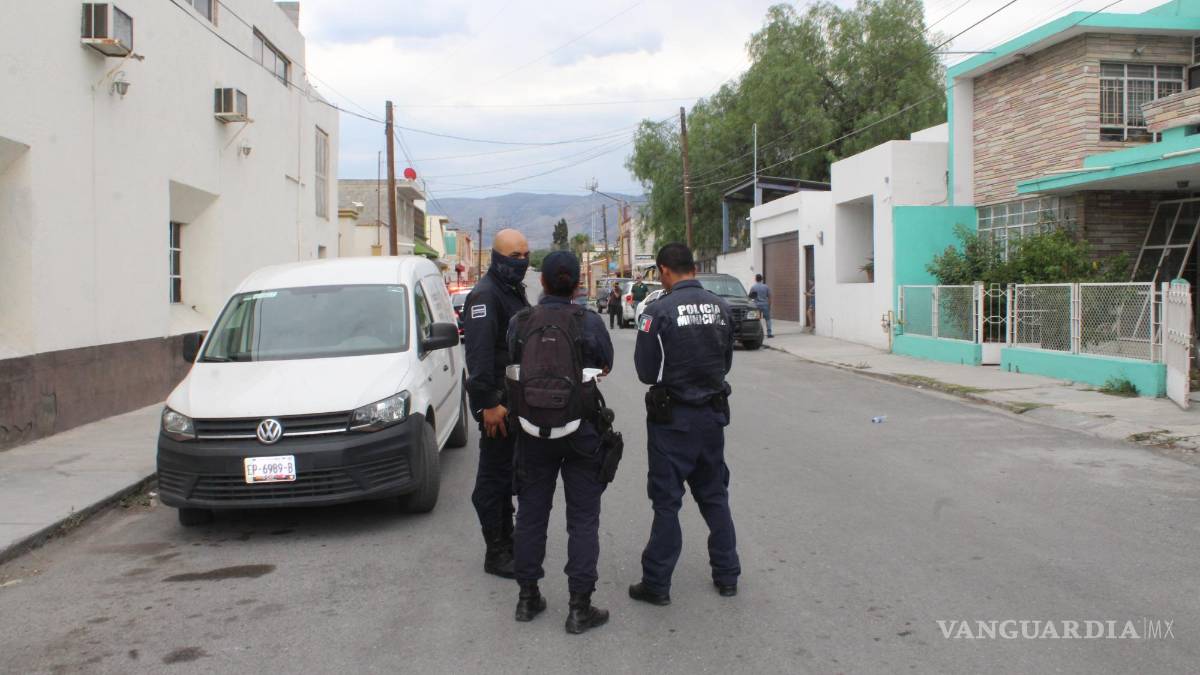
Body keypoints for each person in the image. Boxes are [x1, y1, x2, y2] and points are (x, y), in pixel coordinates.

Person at [506, 251, 614, 634]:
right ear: (576, 284)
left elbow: (512, 363)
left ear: (545, 283)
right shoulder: (588, 321)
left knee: (531, 516)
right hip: (581, 430)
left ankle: (527, 598)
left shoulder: (521, 321)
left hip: (532, 430)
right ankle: (579, 609)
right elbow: (605, 365)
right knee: (583, 520)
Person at [629, 243, 741, 606]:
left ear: (663, 270)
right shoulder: (722, 308)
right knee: (715, 497)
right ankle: (727, 576)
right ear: (693, 267)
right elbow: (724, 363)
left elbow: (647, 372)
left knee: (667, 502)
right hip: (711, 417)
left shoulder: (656, 312)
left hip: (672, 421)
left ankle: (657, 584)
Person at [461, 228, 531, 579]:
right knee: (493, 481)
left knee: (508, 476)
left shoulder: (511, 291)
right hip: (497, 406)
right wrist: (488, 403)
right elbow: (479, 356)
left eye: (525, 255)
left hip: (514, 403)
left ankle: (509, 539)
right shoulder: (485, 296)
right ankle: (497, 552)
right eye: (514, 256)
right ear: (497, 257)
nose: (522, 261)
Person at [749, 274, 774, 338]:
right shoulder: (766, 287)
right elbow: (770, 297)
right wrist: (769, 306)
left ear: (755, 279)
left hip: (757, 305)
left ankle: (758, 333)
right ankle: (769, 333)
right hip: (765, 305)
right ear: (762, 279)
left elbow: (750, 297)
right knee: (768, 319)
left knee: (757, 320)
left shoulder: (753, 287)